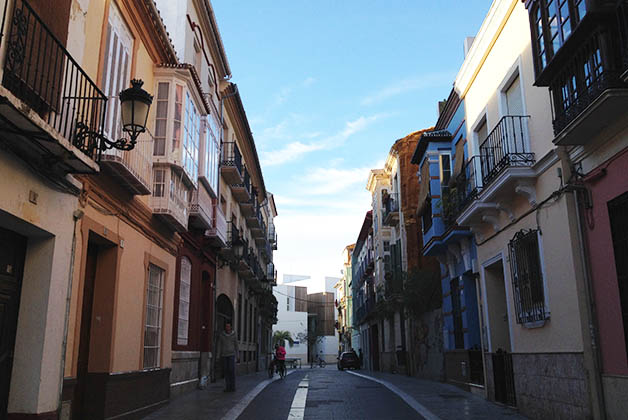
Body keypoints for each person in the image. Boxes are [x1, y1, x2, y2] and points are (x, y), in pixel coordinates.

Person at [217, 322, 238, 392]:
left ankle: (233, 386)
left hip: (231, 355)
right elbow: (219, 345)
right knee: (226, 371)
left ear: (230, 327)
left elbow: (236, 345)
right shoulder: (222, 335)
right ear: (225, 327)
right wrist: (218, 355)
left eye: (228, 326)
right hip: (224, 355)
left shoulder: (234, 335)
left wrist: (237, 355)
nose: (227, 328)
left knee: (232, 370)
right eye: (226, 326)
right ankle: (227, 386)